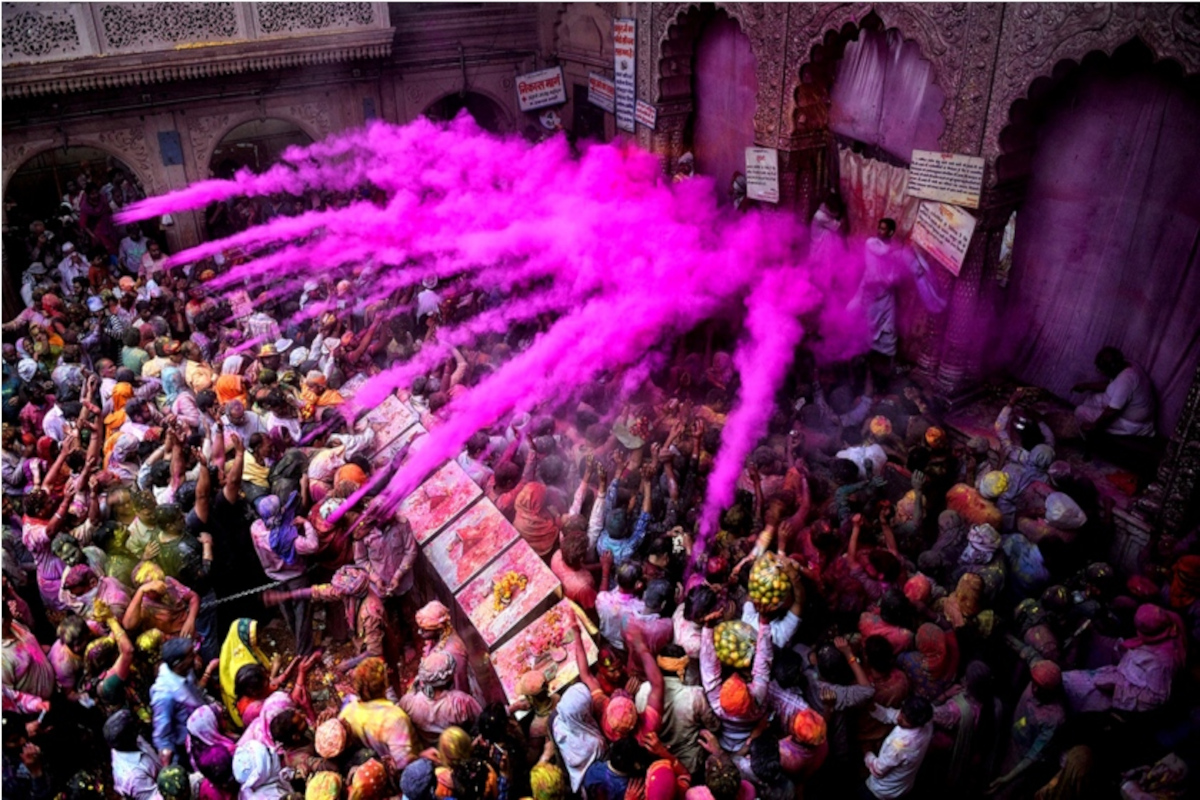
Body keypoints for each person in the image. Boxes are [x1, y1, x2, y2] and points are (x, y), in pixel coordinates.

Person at [1072, 346, 1156, 438]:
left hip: (1132, 424)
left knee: (1080, 411)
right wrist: (1086, 386)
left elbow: (1110, 412)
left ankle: (1090, 441)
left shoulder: (1126, 380)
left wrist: (1094, 425)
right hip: (1127, 409)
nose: (1100, 372)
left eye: (1101, 370)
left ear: (1110, 370)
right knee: (1092, 397)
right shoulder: (1126, 365)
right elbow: (1112, 385)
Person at [861, 696, 934, 800]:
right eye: (902, 712)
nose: (899, 717)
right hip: (904, 785)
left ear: (915, 723)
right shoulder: (927, 722)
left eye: (905, 719)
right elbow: (893, 715)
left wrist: (867, 752)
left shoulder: (900, 745)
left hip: (883, 790)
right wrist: (874, 708)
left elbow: (878, 770)